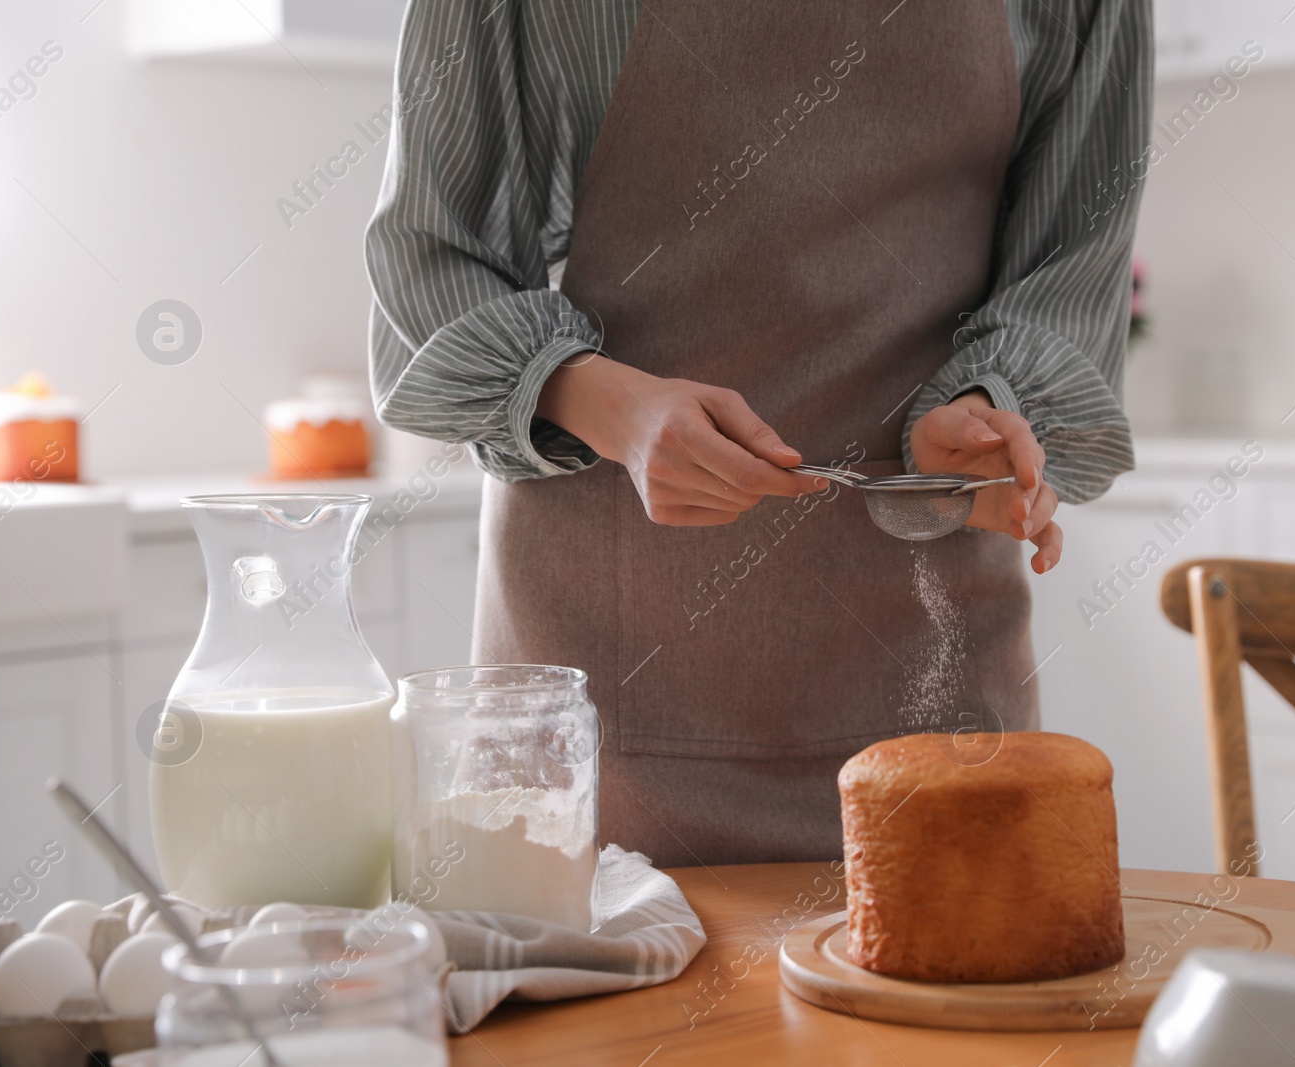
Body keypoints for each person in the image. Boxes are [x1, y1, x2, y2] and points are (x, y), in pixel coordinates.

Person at [367, 0, 1149, 867]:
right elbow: (430, 250)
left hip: (933, 672)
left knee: (953, 959)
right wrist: (611, 406)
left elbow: (1075, 260)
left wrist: (985, 412)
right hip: (600, 695)